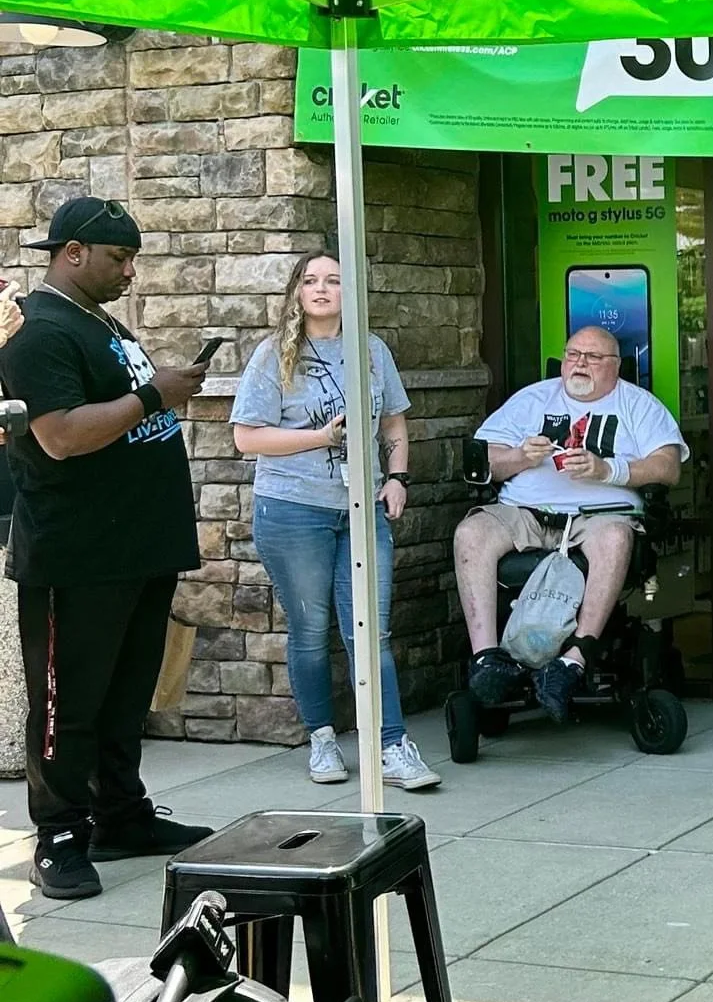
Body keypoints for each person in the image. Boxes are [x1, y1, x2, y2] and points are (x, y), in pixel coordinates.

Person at [0, 197, 213, 902]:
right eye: (119, 258)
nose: (129, 271)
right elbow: (58, 434)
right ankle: (58, 835)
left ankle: (121, 814)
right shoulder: (38, 333)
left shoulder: (98, 322)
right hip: (78, 557)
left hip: (136, 547)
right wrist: (157, 396)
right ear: (72, 254)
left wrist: (157, 393)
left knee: (125, 698)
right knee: (68, 705)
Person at [229, 249, 437, 792]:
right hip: (294, 509)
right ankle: (322, 738)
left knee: (371, 629)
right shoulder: (274, 355)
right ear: (297, 292)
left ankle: (392, 744)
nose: (322, 289)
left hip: (363, 509)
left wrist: (398, 477)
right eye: (311, 280)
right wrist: (320, 438)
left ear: (351, 292)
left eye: (334, 281)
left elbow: (393, 421)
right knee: (311, 629)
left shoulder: (371, 350)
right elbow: (247, 437)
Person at [456, 325, 685, 724]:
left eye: (593, 357)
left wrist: (608, 469)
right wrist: (520, 457)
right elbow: (484, 462)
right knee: (471, 532)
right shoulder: (531, 400)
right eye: (573, 355)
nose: (580, 364)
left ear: (615, 367)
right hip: (526, 512)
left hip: (598, 517)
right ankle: (486, 660)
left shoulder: (638, 405)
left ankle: (576, 657)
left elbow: (668, 468)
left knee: (616, 536)